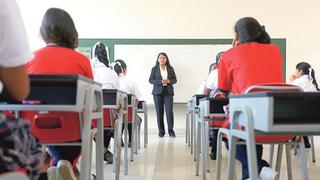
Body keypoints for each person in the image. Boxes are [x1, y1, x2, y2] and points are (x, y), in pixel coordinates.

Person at [25, 8, 93, 180]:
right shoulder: (82, 60)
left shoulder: (29, 59)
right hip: (73, 131)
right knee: (84, 127)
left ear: (43, 32)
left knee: (48, 138)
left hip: (33, 130)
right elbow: (90, 101)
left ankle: (57, 165)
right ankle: (64, 164)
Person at [217, 17, 283, 179]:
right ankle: (254, 173)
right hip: (277, 120)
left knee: (229, 133)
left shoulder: (229, 55)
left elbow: (223, 90)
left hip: (247, 121)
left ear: (237, 36)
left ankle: (260, 169)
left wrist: (233, 51)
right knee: (251, 136)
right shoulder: (274, 50)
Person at [0, 1, 43, 179]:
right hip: (73, 129)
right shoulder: (5, 5)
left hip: (36, 120)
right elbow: (20, 90)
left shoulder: (37, 57)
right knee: (34, 147)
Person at [91, 42, 120, 164]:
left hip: (89, 118)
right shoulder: (112, 73)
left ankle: (103, 151)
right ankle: (104, 151)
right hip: (108, 119)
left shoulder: (90, 71)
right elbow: (118, 95)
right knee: (107, 117)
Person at [111, 59, 142, 146]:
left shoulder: (111, 82)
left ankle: (118, 137)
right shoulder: (130, 81)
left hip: (111, 117)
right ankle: (131, 140)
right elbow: (137, 98)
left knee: (120, 115)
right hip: (128, 115)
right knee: (130, 115)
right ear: (124, 69)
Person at [290, 62, 319, 148]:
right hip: (314, 118)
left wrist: (293, 81)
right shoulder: (313, 83)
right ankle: (302, 138)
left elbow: (288, 96)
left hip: (300, 118)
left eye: (296, 70)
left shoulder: (298, 82)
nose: (294, 72)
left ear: (301, 71)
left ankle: (296, 138)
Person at [149, 52, 177, 138]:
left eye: (164, 58)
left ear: (166, 59)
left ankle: (171, 131)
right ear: (158, 60)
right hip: (157, 93)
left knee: (169, 111)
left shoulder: (170, 68)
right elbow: (151, 80)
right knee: (159, 112)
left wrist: (169, 81)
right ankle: (161, 131)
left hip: (168, 92)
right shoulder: (154, 69)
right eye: (160, 58)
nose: (162, 59)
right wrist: (161, 81)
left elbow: (175, 79)